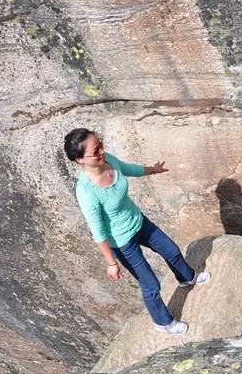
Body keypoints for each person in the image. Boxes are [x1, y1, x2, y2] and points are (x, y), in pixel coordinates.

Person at [64, 128, 210, 335]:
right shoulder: (87, 192)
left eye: (101, 144)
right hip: (122, 242)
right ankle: (163, 323)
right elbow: (98, 231)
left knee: (171, 250)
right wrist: (111, 263)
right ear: (79, 160)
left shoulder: (109, 160)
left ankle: (187, 277)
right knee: (151, 285)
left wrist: (153, 170)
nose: (102, 151)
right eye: (95, 151)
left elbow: (127, 168)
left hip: (138, 221)